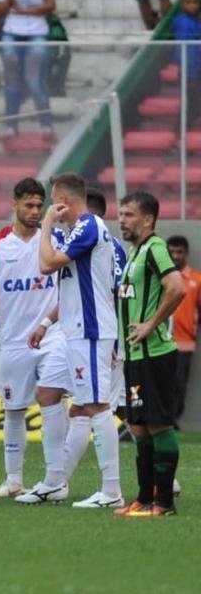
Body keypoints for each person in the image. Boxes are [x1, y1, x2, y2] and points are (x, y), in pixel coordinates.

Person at [0, 178, 72, 500]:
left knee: (53, 399)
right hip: (13, 341)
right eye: (29, 205)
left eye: (40, 205)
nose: (35, 211)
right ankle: (13, 480)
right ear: (14, 204)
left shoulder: (54, 238)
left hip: (53, 335)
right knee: (13, 410)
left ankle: (56, 478)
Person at [36, 173, 122, 508]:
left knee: (98, 405)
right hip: (77, 329)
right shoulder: (78, 231)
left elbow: (47, 264)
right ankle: (55, 483)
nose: (51, 207)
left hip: (92, 329)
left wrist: (46, 224)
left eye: (53, 200)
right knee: (84, 405)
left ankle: (111, 491)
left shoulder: (89, 225)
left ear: (63, 201)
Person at [112, 192, 186, 517]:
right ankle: (144, 499)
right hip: (134, 357)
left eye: (128, 214)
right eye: (121, 214)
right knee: (139, 427)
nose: (122, 220)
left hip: (155, 354)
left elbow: (177, 287)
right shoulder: (134, 252)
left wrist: (150, 324)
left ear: (148, 219)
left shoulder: (155, 248)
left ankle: (165, 503)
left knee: (158, 426)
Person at [0, 0, 56, 140]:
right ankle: (11, 125)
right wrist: (9, 2)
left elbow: (51, 4)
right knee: (12, 79)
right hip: (12, 32)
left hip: (36, 32)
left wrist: (25, 11)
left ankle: (46, 124)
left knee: (34, 80)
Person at [167, 234, 201, 418]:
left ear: (186, 254)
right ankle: (160, 418)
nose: (175, 256)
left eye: (179, 252)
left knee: (179, 383)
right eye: (172, 252)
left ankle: (173, 420)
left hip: (184, 342)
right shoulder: (161, 278)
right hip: (160, 341)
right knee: (159, 382)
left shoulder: (197, 280)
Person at [173, 0, 201, 124]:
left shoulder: (196, 21)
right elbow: (187, 51)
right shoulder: (183, 23)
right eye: (188, 2)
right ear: (182, 3)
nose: (192, 6)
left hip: (197, 68)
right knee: (191, 105)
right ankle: (179, 131)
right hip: (189, 71)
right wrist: (192, 75)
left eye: (195, 2)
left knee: (194, 103)